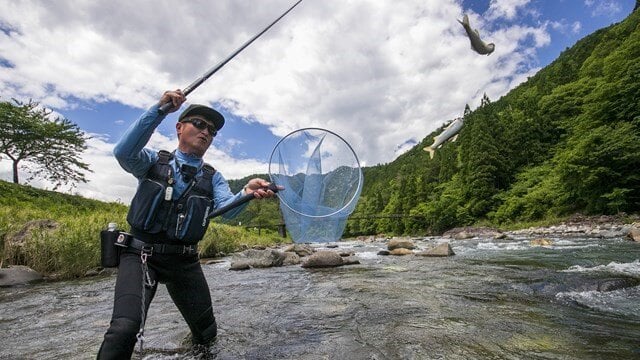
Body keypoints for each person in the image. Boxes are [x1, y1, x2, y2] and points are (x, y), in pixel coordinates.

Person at [97, 89, 277, 359]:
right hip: (141, 255)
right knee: (125, 329)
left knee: (207, 334)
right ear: (179, 128)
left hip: (185, 261)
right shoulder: (151, 162)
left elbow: (226, 211)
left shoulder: (213, 177)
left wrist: (246, 193)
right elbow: (123, 152)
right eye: (200, 124)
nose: (207, 132)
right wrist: (160, 110)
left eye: (212, 131)